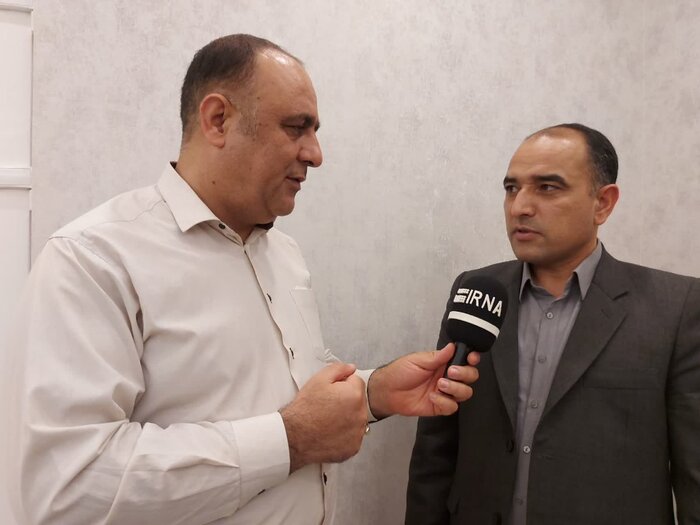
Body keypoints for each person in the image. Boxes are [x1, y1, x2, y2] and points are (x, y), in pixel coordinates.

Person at [3, 34, 481, 525]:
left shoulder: (284, 254)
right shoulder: (93, 260)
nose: (316, 154)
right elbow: (67, 488)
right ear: (218, 120)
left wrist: (373, 391)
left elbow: (281, 393)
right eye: (296, 128)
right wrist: (290, 441)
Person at [406, 123, 700, 525]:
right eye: (512, 188)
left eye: (547, 187)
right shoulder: (477, 292)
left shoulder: (676, 308)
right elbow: (435, 451)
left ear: (603, 203)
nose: (519, 207)